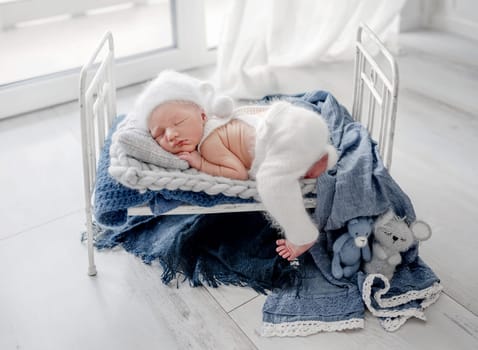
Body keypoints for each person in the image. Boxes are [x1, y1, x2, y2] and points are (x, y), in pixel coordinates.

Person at [131, 70, 337, 260]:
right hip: (298, 120)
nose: (171, 135)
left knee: (271, 183)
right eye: (158, 135)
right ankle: (316, 157)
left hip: (279, 137)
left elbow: (237, 172)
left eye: (178, 123)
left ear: (203, 115)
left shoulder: (208, 143)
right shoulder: (223, 118)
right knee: (288, 159)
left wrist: (201, 162)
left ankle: (303, 235)